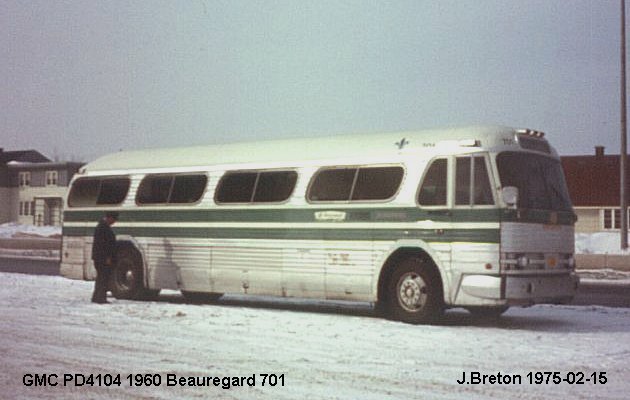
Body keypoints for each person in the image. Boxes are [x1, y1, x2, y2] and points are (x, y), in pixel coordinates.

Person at [91, 211, 118, 304]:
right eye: (113, 220)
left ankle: (96, 297)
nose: (114, 222)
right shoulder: (103, 228)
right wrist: (108, 257)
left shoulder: (101, 226)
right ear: (109, 218)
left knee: (100, 278)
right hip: (102, 258)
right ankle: (101, 298)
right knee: (103, 278)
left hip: (99, 257)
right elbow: (104, 245)